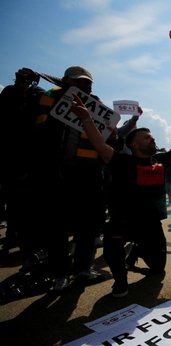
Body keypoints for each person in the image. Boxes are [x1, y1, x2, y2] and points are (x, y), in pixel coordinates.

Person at [70, 93, 171, 297]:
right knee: (112, 242)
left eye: (153, 137)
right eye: (147, 137)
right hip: (123, 222)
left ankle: (135, 252)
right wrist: (85, 118)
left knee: (157, 270)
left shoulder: (160, 160)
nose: (152, 139)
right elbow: (100, 145)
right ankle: (120, 280)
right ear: (134, 145)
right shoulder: (121, 162)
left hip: (151, 223)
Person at [32, 66, 112, 290]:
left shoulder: (96, 104)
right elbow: (40, 129)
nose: (85, 86)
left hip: (90, 172)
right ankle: (60, 273)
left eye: (88, 83)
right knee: (57, 225)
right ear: (67, 81)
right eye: (79, 82)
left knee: (88, 224)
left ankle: (83, 270)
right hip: (58, 171)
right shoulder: (50, 96)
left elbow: (104, 135)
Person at [0, 68, 44, 264]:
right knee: (14, 202)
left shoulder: (39, 95)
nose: (21, 81)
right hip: (10, 155)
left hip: (32, 155)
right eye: (18, 77)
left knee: (31, 205)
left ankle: (29, 246)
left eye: (26, 79)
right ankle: (12, 238)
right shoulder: (9, 92)